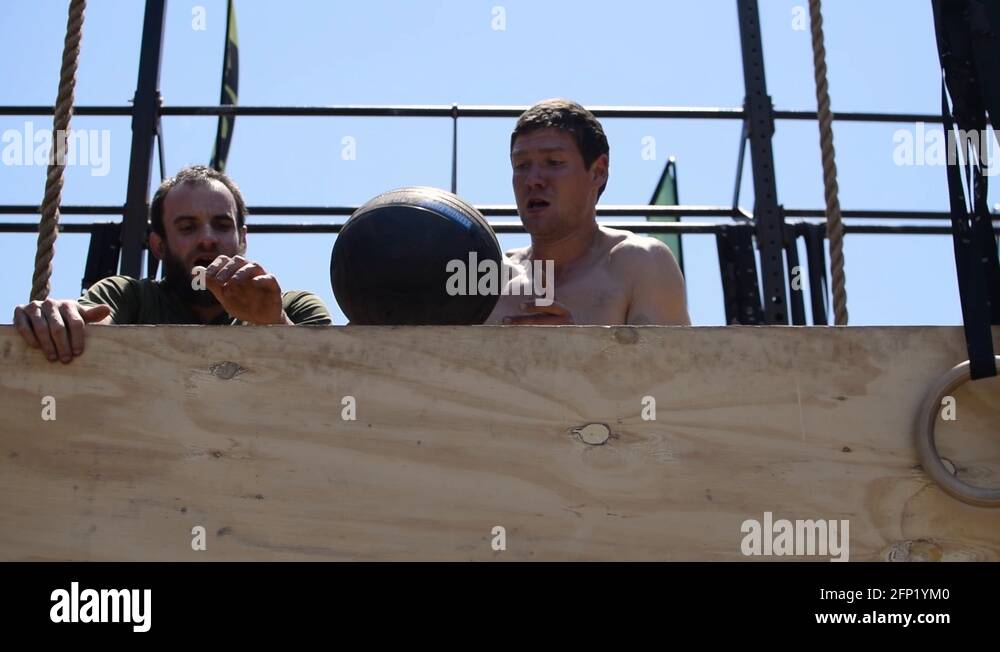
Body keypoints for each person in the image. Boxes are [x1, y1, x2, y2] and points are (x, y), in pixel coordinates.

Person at [12, 165, 331, 363]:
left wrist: (275, 324)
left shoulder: (297, 307)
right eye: (188, 227)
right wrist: (58, 320)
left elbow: (332, 382)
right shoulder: (128, 297)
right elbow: (90, 327)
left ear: (242, 239)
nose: (207, 239)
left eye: (221, 225)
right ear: (158, 245)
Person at [487, 98, 691, 326]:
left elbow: (668, 362)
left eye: (553, 162)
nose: (533, 180)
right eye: (521, 166)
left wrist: (578, 347)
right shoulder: (489, 281)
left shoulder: (640, 263)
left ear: (597, 172)